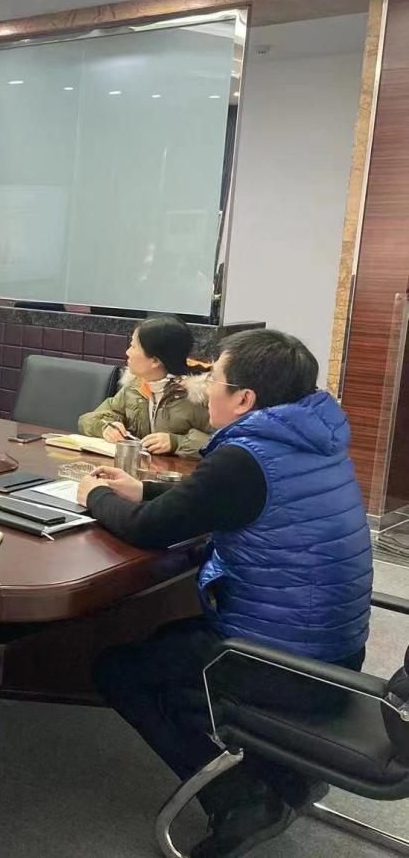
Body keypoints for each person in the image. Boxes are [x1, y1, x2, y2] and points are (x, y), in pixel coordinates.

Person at [75, 329, 373, 858]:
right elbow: (231, 499)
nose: (203, 387)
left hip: (281, 663)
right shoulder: (311, 440)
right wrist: (143, 489)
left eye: (212, 378)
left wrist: (95, 495)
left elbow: (148, 530)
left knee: (120, 670)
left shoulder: (246, 456)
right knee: (166, 641)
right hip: (335, 652)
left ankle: (241, 799)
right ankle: (281, 773)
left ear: (244, 399)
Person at [78, 315, 213, 457]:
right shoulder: (135, 387)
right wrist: (106, 427)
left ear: (155, 360)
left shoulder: (199, 397)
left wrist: (177, 442)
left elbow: (222, 444)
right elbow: (87, 419)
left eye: (133, 346)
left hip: (182, 470)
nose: (127, 352)